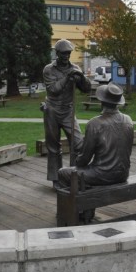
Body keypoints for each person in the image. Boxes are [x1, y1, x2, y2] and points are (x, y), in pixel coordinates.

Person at [57, 82, 134, 190]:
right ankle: (87, 203)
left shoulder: (95, 123)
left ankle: (79, 204)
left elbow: (84, 159)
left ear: (102, 101)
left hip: (103, 175)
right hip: (123, 174)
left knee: (62, 173)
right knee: (79, 174)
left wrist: (76, 161)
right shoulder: (128, 120)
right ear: (118, 102)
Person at [41, 39, 91, 188]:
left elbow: (86, 89)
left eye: (68, 53)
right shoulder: (48, 69)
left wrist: (81, 78)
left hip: (68, 110)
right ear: (57, 53)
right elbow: (53, 90)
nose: (66, 56)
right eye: (63, 53)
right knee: (53, 147)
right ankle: (57, 179)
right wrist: (68, 77)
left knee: (78, 143)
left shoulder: (75, 67)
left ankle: (73, 176)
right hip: (52, 110)